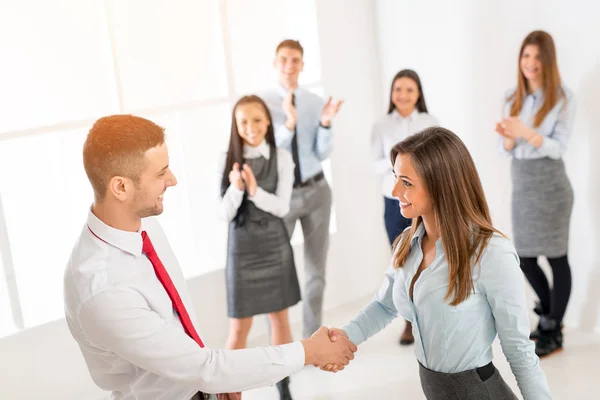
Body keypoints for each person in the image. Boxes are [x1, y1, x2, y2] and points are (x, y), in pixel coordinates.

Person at [63, 114, 357, 400]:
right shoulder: (102, 288)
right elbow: (204, 367)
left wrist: (215, 384)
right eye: (161, 172)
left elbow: (182, 334)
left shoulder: (144, 223)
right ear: (121, 187)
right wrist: (309, 351)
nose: (173, 180)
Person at [326, 127, 552, 399]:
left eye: (406, 182)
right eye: (395, 178)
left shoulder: (491, 254)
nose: (395, 190)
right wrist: (343, 338)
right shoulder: (406, 246)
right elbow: (384, 305)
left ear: (440, 186)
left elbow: (520, 351)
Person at [495, 30, 575, 358]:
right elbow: (504, 151)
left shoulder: (563, 97)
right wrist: (509, 139)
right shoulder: (510, 97)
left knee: (557, 257)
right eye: (526, 56)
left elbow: (558, 148)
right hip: (523, 184)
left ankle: (553, 328)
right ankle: (549, 316)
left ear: (548, 60)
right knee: (525, 257)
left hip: (552, 184)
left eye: (537, 57)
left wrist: (526, 132)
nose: (530, 63)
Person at [218, 95, 301, 399]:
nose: (251, 127)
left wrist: (255, 191)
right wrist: (237, 190)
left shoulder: (282, 157)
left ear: (268, 121)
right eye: (243, 121)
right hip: (241, 248)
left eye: (257, 119)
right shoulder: (227, 159)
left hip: (274, 245)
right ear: (236, 126)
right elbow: (223, 214)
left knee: (279, 318)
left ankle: (284, 385)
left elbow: (282, 207)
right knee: (239, 328)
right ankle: (225, 388)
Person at [262, 39, 343, 338]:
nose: (289, 65)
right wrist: (289, 125)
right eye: (284, 59)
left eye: (295, 59)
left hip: (317, 192)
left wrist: (325, 123)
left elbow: (321, 153)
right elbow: (266, 152)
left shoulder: (313, 100)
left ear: (302, 64)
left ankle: (312, 339)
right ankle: (280, 339)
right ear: (275, 62)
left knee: (315, 273)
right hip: (282, 196)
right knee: (277, 271)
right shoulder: (262, 103)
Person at [370, 68, 438, 346]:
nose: (403, 95)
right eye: (398, 89)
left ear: (418, 93)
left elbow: (437, 160)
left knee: (428, 257)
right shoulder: (381, 125)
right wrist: (401, 167)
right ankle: (409, 321)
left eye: (409, 89)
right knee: (402, 260)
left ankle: (432, 315)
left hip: (425, 200)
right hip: (395, 201)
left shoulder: (430, 121)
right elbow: (374, 163)